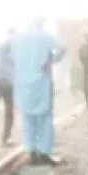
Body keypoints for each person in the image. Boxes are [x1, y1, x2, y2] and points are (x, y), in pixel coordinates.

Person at [9, 18, 65, 165]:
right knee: (44, 118)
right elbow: (63, 47)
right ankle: (44, 153)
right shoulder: (45, 35)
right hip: (41, 79)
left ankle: (31, 152)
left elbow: (3, 51)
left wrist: (16, 65)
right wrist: (51, 60)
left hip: (22, 81)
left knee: (27, 117)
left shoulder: (17, 37)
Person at [71, 32, 88, 125]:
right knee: (87, 91)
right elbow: (81, 59)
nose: (86, 38)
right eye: (85, 37)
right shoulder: (83, 48)